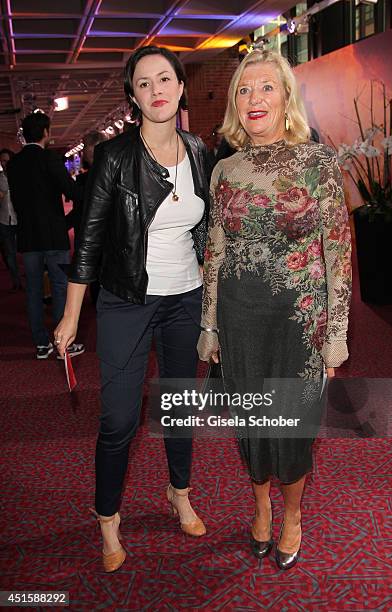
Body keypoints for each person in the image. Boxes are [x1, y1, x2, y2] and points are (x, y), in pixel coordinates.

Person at [54, 46, 210, 572]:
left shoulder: (198, 149)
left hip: (186, 299)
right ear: (133, 95)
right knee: (119, 418)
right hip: (126, 302)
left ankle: (179, 491)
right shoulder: (116, 158)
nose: (156, 89)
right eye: (143, 83)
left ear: (181, 85)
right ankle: (107, 519)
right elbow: (91, 241)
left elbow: (208, 230)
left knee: (181, 407)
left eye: (164, 78)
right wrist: (73, 315)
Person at [198, 49, 352, 570]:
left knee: (293, 427)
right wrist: (209, 323)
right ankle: (260, 505)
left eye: (266, 87)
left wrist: (338, 332)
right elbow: (215, 248)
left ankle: (291, 515)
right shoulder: (224, 170)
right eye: (244, 89)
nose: (254, 98)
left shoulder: (318, 163)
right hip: (241, 321)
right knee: (252, 425)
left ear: (287, 98)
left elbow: (338, 251)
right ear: (235, 106)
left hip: (300, 323)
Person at [7, 112, 85, 360]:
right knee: (61, 287)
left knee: (33, 290)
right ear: (45, 133)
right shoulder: (49, 159)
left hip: (28, 237)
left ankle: (41, 344)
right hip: (53, 235)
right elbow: (70, 190)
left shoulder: (14, 164)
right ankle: (64, 343)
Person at [66, 131, 107, 304]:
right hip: (98, 238)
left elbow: (79, 211)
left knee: (97, 280)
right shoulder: (85, 179)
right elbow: (80, 210)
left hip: (99, 237)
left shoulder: (84, 179)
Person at [0, 149, 22, 290]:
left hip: (20, 219)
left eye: (7, 160)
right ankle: (16, 281)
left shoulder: (20, 176)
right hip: (4, 220)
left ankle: (31, 278)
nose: (5, 163)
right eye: (3, 161)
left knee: (27, 252)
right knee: (10, 253)